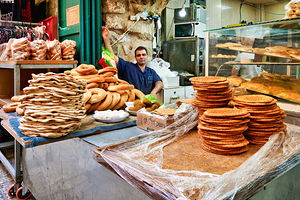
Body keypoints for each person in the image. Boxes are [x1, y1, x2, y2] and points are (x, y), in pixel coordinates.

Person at [101, 26, 163, 98]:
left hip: (147, 103)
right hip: (130, 102)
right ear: (135, 58)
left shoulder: (151, 72)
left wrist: (154, 91)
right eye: (138, 55)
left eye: (143, 55)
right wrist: (106, 38)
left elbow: (160, 83)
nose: (141, 57)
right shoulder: (128, 67)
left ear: (147, 56)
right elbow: (113, 57)